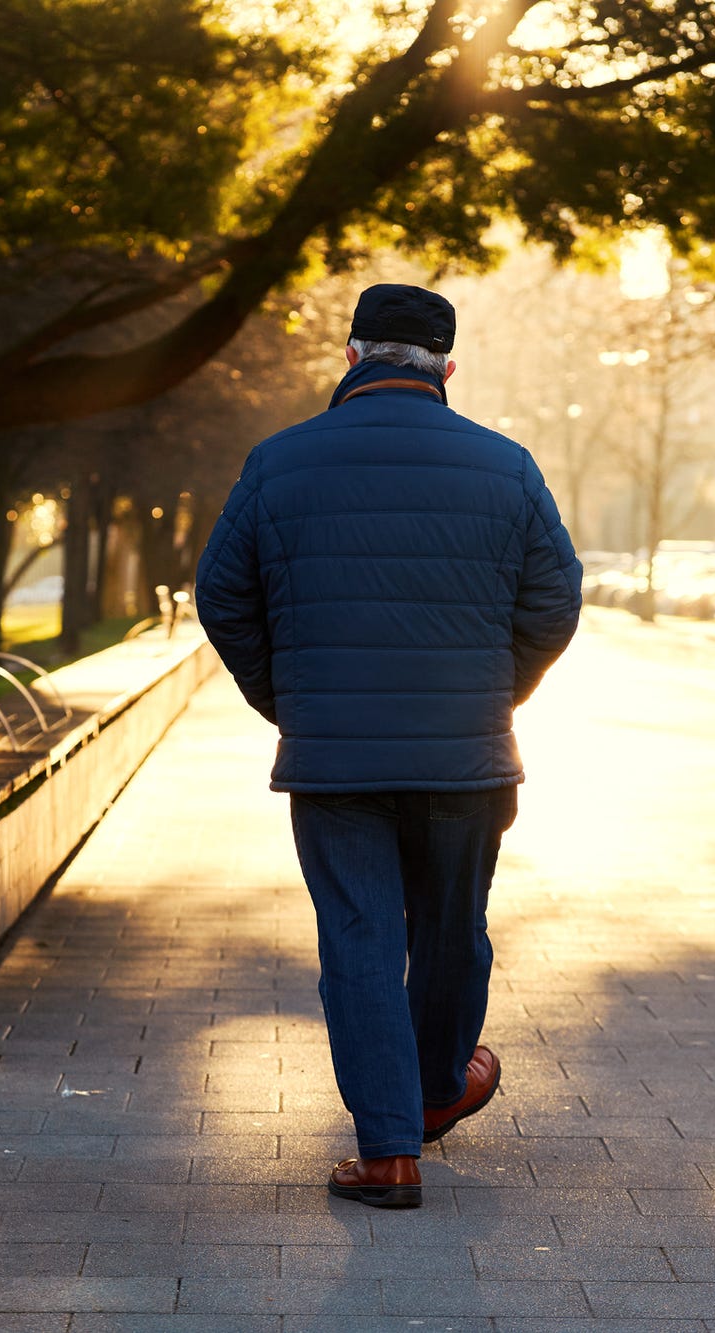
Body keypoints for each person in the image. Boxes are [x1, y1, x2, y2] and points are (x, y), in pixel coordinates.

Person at [195, 284, 583, 1210]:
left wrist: (292, 701)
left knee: (361, 940)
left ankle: (388, 1153)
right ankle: (442, 1083)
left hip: (337, 762)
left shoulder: (278, 463)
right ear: (447, 368)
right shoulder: (507, 465)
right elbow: (555, 604)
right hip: (467, 755)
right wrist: (499, 692)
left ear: (352, 355)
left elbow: (223, 598)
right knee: (453, 931)